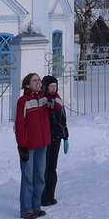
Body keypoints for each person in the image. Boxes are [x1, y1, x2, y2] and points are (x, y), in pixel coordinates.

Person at [14, 72, 50, 219]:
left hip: (42, 144)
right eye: (35, 80)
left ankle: (37, 206)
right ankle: (26, 209)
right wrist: (22, 145)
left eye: (39, 80)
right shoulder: (23, 101)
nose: (38, 83)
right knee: (28, 177)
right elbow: (19, 125)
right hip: (28, 146)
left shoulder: (44, 98)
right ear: (27, 84)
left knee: (40, 176)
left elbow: (56, 109)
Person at [41, 75, 69, 207]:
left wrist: (66, 137)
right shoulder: (42, 100)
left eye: (55, 86)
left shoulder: (58, 101)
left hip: (56, 138)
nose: (53, 89)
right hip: (44, 138)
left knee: (52, 168)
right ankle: (41, 195)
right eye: (51, 86)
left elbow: (63, 120)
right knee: (43, 168)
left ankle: (50, 195)